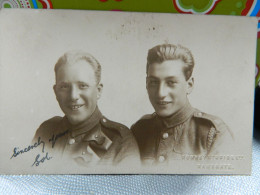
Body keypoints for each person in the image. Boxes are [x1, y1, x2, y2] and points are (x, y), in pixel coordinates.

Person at [131, 44, 234, 165]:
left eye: (171, 82)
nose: (160, 93)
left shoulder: (212, 133)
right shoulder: (139, 130)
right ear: (146, 84)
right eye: (153, 82)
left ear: (189, 85)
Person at [33, 51, 139, 167]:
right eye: (64, 87)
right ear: (55, 92)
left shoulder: (120, 141)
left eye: (83, 86)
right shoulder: (46, 131)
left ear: (98, 91)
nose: (73, 96)